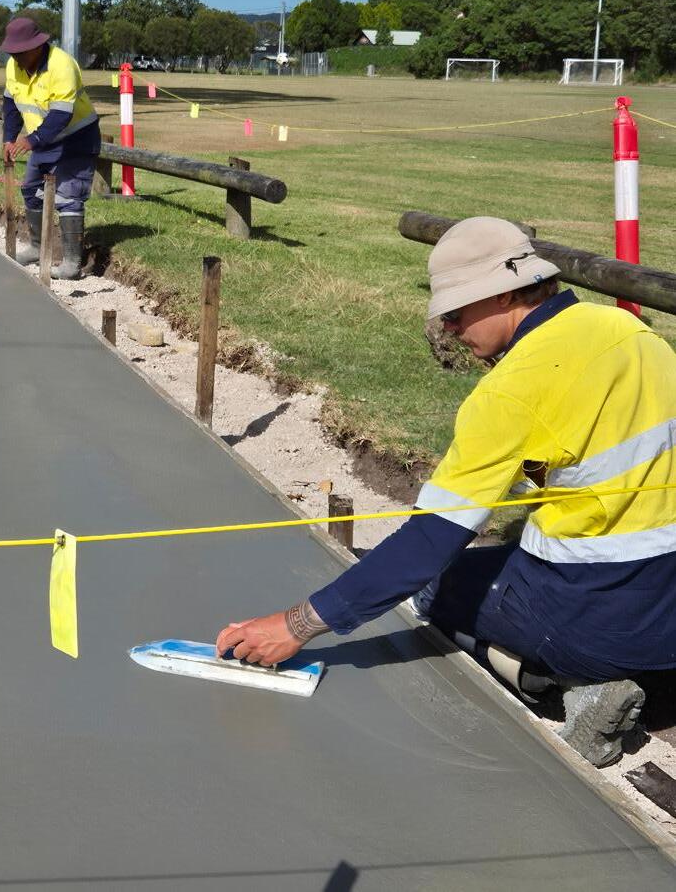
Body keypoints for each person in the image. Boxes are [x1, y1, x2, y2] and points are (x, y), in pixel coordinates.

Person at [216, 217, 676, 767]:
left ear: (505, 293)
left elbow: (427, 545)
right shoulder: (629, 331)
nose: (452, 330)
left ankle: (567, 684)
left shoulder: (513, 389)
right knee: (502, 559)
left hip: (599, 625)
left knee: (435, 587)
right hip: (668, 607)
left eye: (456, 313)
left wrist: (296, 625)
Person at [0, 17, 100, 281]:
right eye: (12, 53)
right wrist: (9, 138)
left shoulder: (62, 65)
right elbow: (11, 104)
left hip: (76, 138)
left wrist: (31, 140)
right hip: (44, 140)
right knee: (31, 190)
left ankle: (72, 263)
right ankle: (36, 247)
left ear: (36, 47)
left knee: (69, 197)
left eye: (19, 52)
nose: (15, 58)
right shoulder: (14, 66)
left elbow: (61, 115)